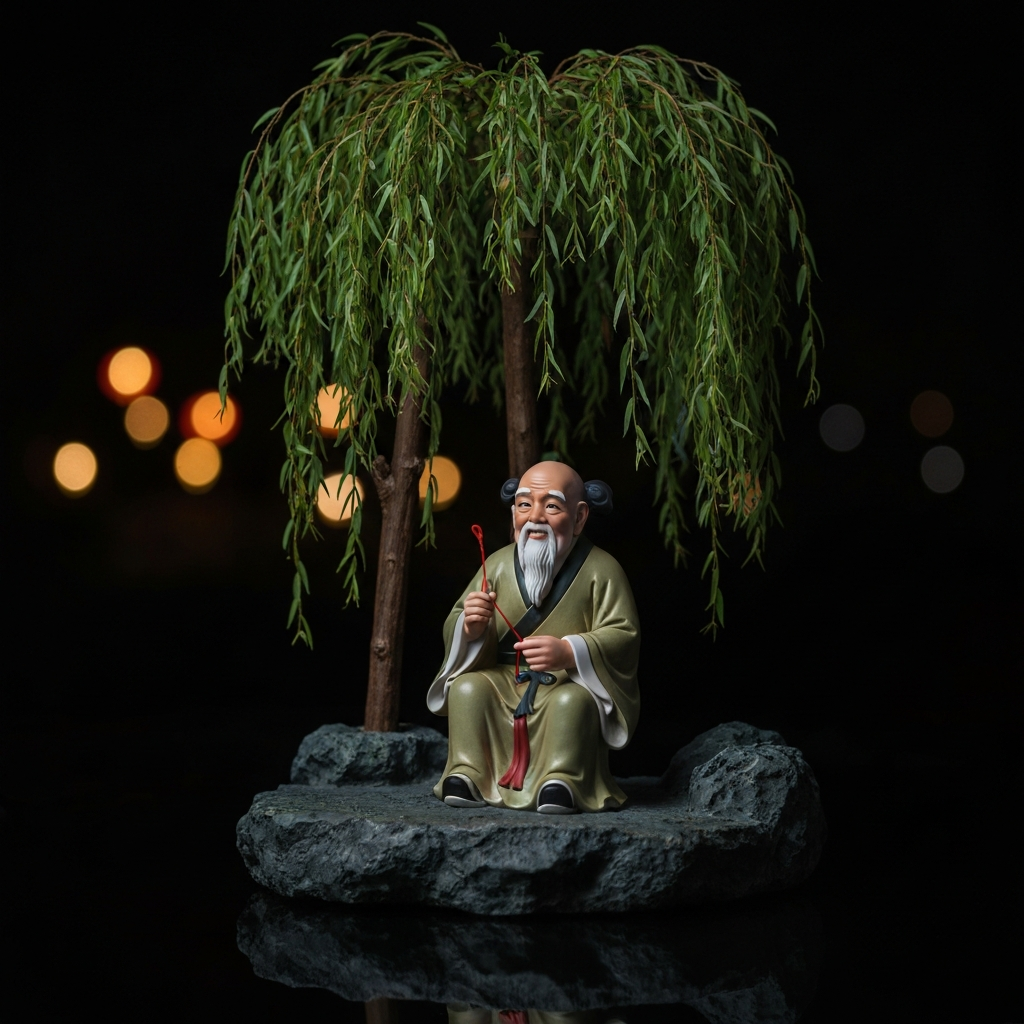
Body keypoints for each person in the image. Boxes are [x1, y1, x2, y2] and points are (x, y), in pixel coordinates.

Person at [426, 461, 640, 813]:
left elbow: (624, 634)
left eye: (552, 505)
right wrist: (471, 627)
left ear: (580, 516)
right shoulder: (495, 564)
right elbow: (456, 620)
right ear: (514, 512)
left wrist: (571, 651)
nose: (535, 516)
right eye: (525, 504)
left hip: (565, 682)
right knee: (467, 689)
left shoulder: (602, 570)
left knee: (573, 704)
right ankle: (469, 773)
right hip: (505, 678)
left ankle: (561, 779)